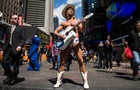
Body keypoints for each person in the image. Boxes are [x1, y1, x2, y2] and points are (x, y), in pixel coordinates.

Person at [53, 4, 89, 89]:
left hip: (75, 41)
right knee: (62, 61)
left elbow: (83, 30)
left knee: (80, 60)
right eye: (69, 9)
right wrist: (61, 36)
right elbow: (55, 31)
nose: (71, 10)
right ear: (66, 12)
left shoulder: (77, 21)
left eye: (72, 9)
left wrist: (83, 23)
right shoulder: (64, 23)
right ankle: (59, 81)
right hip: (66, 42)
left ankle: (85, 82)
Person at [0, 15, 26, 85]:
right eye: (14, 18)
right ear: (11, 19)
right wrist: (2, 49)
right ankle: (10, 75)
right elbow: (6, 40)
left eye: (16, 19)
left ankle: (13, 78)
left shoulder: (21, 28)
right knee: (3, 62)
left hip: (17, 49)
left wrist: (20, 46)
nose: (15, 20)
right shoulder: (8, 28)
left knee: (15, 65)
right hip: (8, 48)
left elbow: (23, 39)